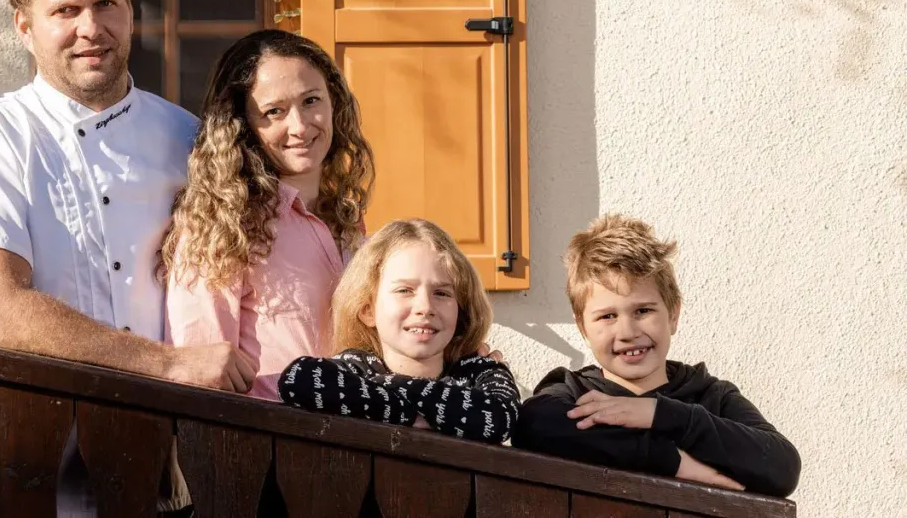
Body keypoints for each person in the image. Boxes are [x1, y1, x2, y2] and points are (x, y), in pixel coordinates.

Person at [0, 0, 252, 515]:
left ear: (130, 8)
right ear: (24, 27)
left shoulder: (188, 137)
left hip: (181, 476)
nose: (91, 28)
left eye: (106, 3)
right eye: (65, 11)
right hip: (43, 479)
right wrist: (167, 364)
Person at [511, 214, 801, 497]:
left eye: (643, 311)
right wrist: (671, 461)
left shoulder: (713, 398)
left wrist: (658, 414)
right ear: (582, 327)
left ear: (673, 314)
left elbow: (783, 466)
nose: (627, 332)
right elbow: (532, 424)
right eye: (607, 316)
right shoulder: (575, 394)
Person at [160, 29, 375, 399]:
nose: (300, 126)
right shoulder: (220, 227)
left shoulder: (347, 218)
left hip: (356, 429)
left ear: (334, 101)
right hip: (270, 432)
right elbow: (198, 377)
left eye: (311, 100)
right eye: (274, 112)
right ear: (244, 125)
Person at [277, 219, 520, 444]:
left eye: (442, 293)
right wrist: (415, 414)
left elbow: (500, 417)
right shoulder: (358, 366)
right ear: (367, 309)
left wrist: (379, 392)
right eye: (404, 290)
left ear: (461, 310)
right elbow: (298, 379)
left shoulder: (478, 370)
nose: (425, 307)